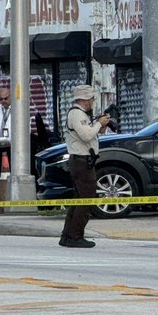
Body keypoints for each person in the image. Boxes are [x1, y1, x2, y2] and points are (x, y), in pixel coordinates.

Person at [60, 83, 110, 248]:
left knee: (79, 199)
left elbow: (91, 133)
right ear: (85, 99)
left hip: (82, 161)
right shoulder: (76, 114)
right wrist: (98, 124)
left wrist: (100, 125)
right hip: (81, 161)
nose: (93, 101)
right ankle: (75, 236)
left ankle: (67, 235)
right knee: (86, 199)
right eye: (91, 98)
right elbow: (86, 135)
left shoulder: (81, 114)